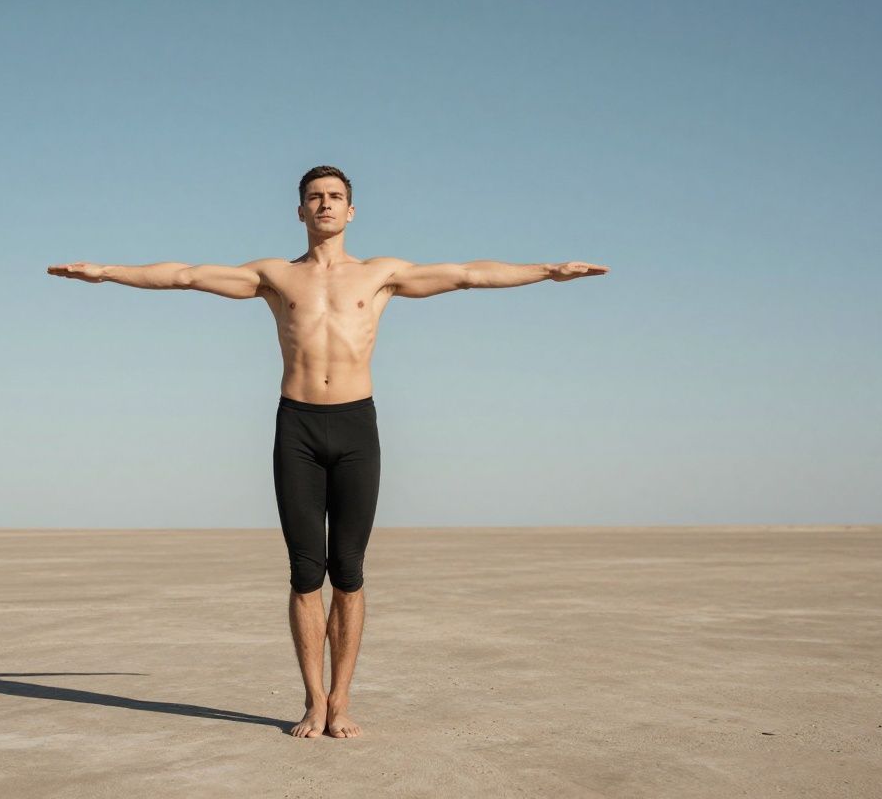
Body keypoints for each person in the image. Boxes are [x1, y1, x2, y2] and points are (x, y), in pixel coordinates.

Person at [47, 164, 609, 739]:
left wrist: (547, 271)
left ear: (351, 210)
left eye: (335, 197)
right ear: (299, 211)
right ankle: (313, 700)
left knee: (350, 571)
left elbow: (468, 274)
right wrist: (107, 272)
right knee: (303, 572)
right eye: (314, 197)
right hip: (297, 429)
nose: (325, 205)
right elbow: (186, 275)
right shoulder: (274, 276)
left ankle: (342, 698)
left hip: (355, 428)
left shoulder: (380, 275)